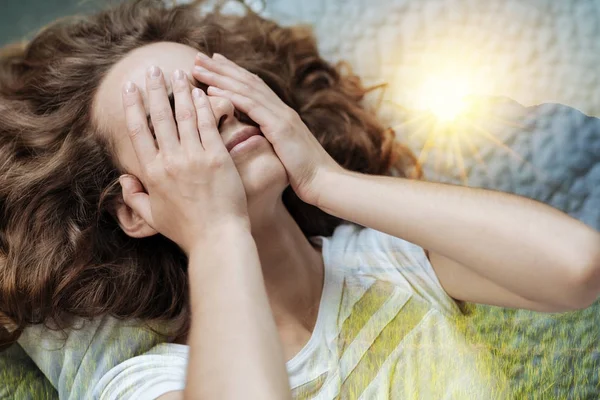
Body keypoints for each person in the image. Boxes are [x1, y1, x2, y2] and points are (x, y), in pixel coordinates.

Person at [1, 0, 599, 398]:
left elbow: (577, 268)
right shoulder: (155, 381)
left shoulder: (381, 262)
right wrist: (214, 231)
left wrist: (327, 179)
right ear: (134, 209)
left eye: (212, 83)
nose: (215, 107)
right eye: (171, 116)